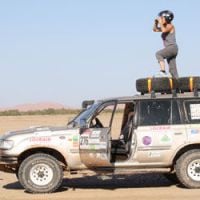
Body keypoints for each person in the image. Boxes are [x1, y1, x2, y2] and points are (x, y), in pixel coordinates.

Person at [153, 10, 179, 79]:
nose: (160, 19)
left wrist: (160, 23)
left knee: (159, 54)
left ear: (166, 18)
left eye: (162, 18)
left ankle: (163, 71)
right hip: (171, 49)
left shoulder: (170, 26)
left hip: (172, 47)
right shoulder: (164, 26)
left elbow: (164, 30)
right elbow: (155, 30)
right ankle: (177, 87)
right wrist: (155, 23)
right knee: (173, 70)